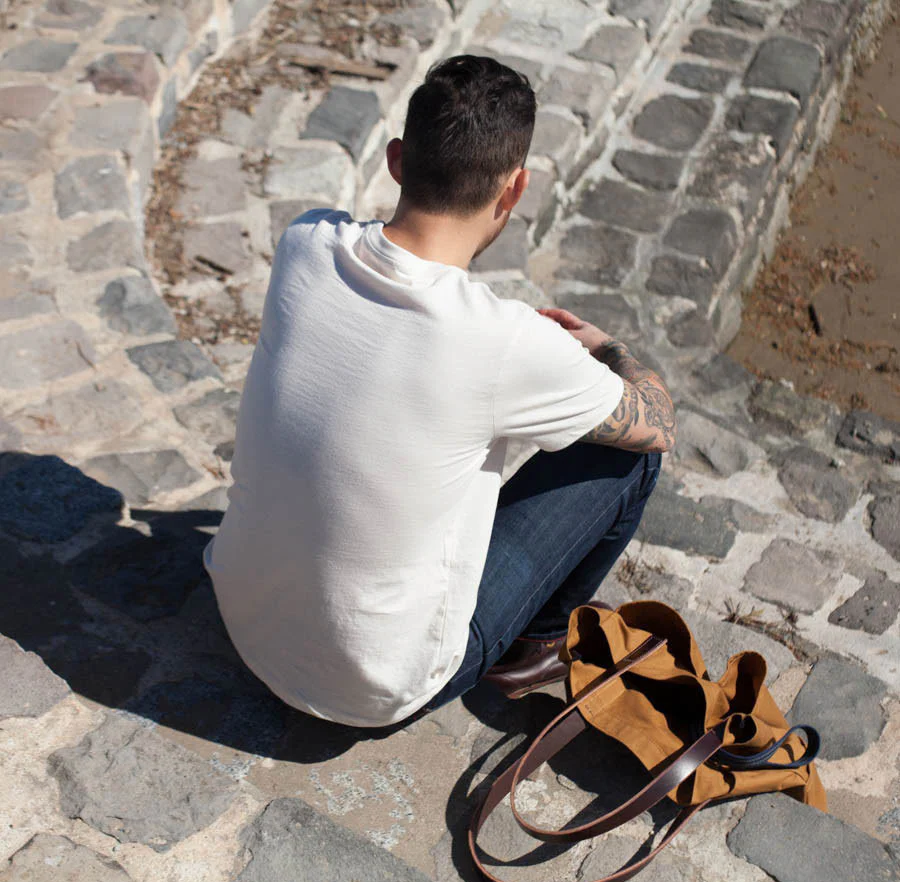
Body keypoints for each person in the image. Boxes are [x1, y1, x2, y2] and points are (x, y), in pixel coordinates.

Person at [203, 55, 675, 728]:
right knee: (630, 457)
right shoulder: (505, 338)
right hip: (374, 690)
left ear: (397, 159)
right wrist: (610, 352)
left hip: (243, 616)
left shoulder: (305, 242)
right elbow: (658, 423)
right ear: (514, 190)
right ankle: (532, 645)